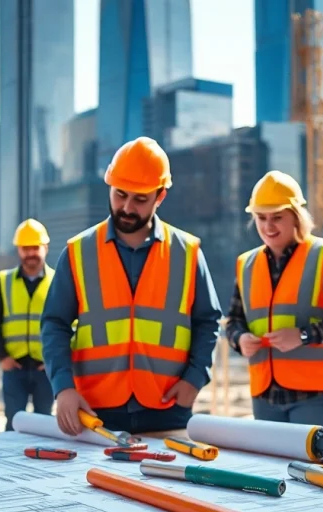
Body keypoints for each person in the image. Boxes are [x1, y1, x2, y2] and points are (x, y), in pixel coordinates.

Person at [41, 136, 223, 436]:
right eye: (119, 194)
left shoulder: (187, 252)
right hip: (94, 410)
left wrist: (195, 379)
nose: (126, 207)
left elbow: (208, 321)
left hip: (168, 407)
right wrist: (63, 388)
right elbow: (54, 323)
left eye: (139, 199)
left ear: (160, 196)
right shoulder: (78, 251)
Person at [226, 170, 323, 427]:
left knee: (312, 467)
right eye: (261, 218)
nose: (268, 227)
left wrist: (305, 335)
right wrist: (240, 339)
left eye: (277, 218)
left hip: (315, 395)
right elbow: (234, 321)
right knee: (268, 467)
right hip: (265, 393)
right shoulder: (246, 264)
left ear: (296, 217)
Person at [0, 219, 56, 431]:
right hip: (14, 368)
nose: (31, 253)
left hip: (46, 369)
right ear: (19, 250)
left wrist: (56, 360)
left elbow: (70, 325)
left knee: (44, 426)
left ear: (45, 248)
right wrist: (3, 357)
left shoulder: (57, 281)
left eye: (35, 247)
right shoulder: (4, 280)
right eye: (26, 248)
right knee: (14, 424)